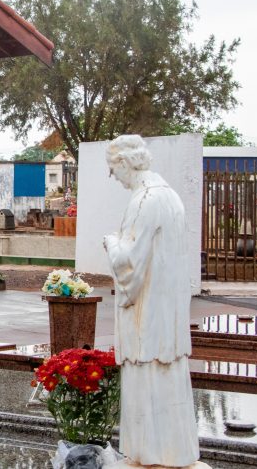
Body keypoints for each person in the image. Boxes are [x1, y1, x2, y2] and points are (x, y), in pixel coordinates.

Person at [102, 135, 200, 467]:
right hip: (167, 315)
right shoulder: (171, 197)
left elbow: (129, 264)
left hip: (148, 319)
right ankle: (175, 454)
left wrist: (110, 242)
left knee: (147, 383)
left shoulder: (144, 200)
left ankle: (148, 456)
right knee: (168, 384)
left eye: (113, 169)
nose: (113, 178)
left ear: (126, 163)